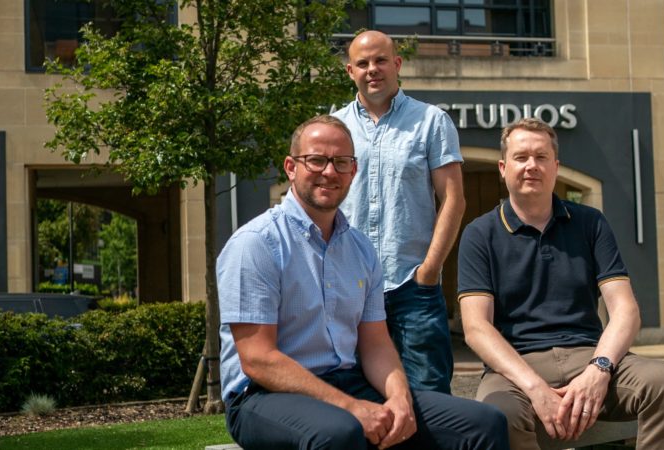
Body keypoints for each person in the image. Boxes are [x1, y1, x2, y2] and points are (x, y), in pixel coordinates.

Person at [217, 115, 509, 450]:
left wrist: (400, 399)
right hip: (264, 395)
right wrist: (352, 408)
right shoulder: (256, 243)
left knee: (483, 423)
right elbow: (258, 359)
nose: (330, 171)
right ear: (290, 167)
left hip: (349, 384)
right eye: (316, 160)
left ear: (353, 171)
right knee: (340, 433)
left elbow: (376, 345)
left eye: (341, 162)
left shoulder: (360, 249)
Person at [458, 118, 664, 450]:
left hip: (589, 354)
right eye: (521, 157)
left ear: (556, 166)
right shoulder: (480, 234)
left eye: (541, 157)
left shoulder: (591, 223)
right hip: (516, 366)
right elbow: (476, 327)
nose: (531, 166)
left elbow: (625, 310)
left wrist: (600, 369)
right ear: (503, 167)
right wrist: (535, 388)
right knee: (497, 415)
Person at [333, 30, 466, 394]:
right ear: (350, 71)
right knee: (358, 398)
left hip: (413, 287)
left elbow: (453, 199)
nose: (372, 69)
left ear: (397, 64)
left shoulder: (431, 121)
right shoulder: (335, 128)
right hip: (350, 289)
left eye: (380, 60)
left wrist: (429, 271)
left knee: (429, 397)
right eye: (363, 63)